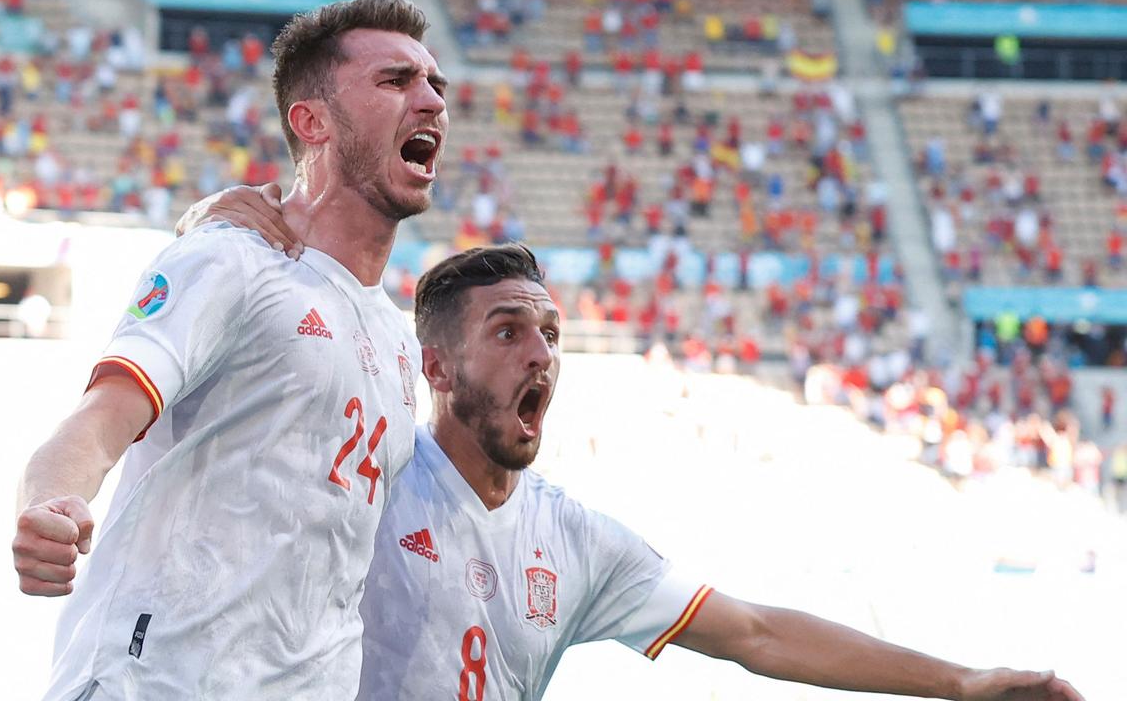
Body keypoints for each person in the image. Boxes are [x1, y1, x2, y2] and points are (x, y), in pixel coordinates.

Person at [178, 195, 1083, 700]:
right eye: (507, 333)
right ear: (437, 369)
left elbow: (756, 635)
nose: (541, 354)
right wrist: (209, 232)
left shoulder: (573, 538)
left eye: (551, 334)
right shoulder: (366, 484)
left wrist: (963, 684)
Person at [10, 0, 448, 699]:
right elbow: (97, 422)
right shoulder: (229, 261)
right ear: (312, 121)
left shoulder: (397, 342)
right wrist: (52, 502)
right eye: (396, 81)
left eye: (435, 85)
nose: (431, 100)